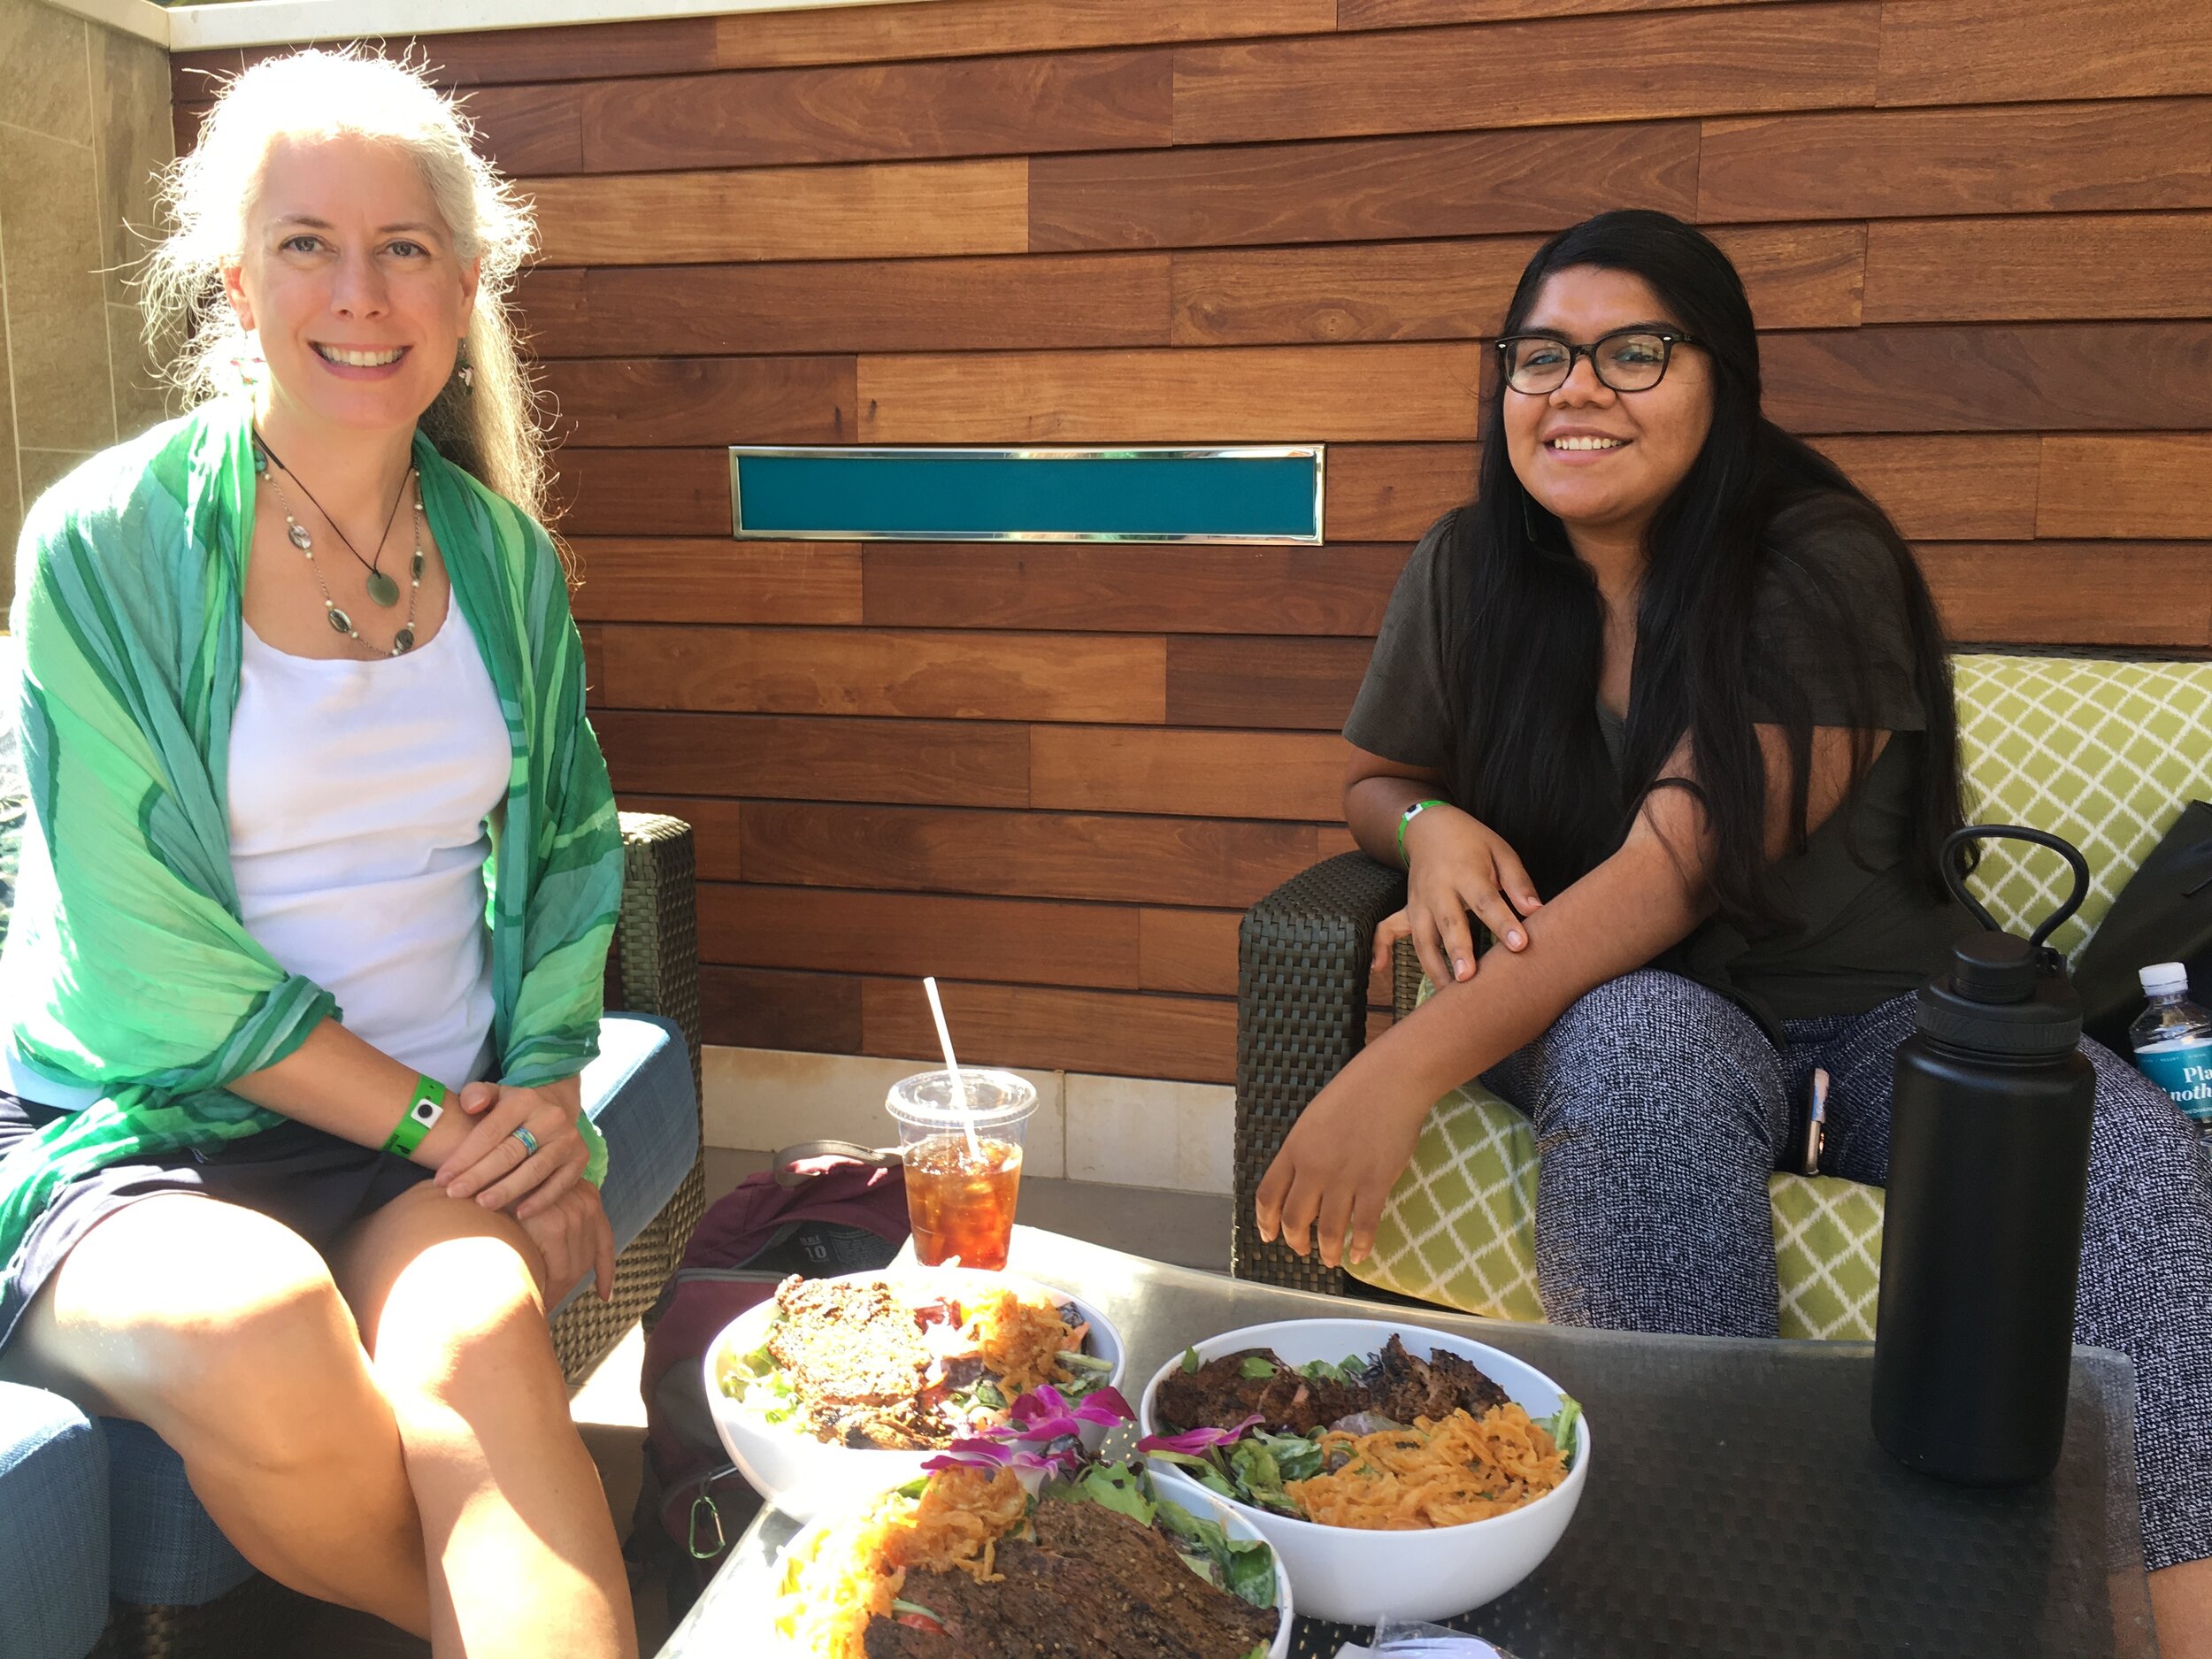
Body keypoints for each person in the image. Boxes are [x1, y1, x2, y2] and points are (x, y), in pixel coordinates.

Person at [1255, 209, 2212, 1647]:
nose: (1577, 390)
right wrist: (1427, 824)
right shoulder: (1470, 566)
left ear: (1725, 380)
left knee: (2122, 1160)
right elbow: (1376, 778)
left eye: (1635, 352)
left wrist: (1399, 1067)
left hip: (1879, 1010)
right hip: (1603, 1007)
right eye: (1540, 356)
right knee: (1644, 1041)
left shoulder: (1819, 561)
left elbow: (1681, 864)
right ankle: (1687, 1600)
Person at [0, 51, 636, 1657]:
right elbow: (141, 956)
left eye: (403, 247)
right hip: (138, 1129)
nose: (359, 292)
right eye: (306, 244)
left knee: (480, 1347)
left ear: (465, 284)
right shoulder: (106, 542)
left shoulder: (500, 555)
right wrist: (449, 1127)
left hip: (427, 1126)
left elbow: (570, 843)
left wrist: (544, 1094)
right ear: (236, 279)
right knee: (262, 1324)